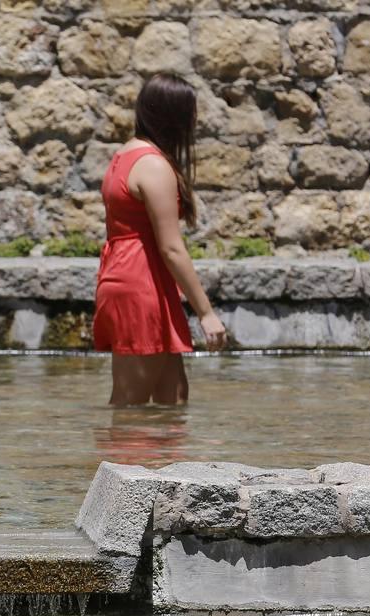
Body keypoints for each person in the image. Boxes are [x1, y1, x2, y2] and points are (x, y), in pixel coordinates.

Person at [94, 73, 227, 406]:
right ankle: (113, 460)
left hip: (130, 278)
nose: (195, 122)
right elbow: (170, 247)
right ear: (174, 117)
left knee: (174, 400)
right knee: (128, 406)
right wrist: (206, 312)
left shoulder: (125, 155)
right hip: (142, 285)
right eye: (190, 114)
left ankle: (162, 460)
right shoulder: (153, 165)